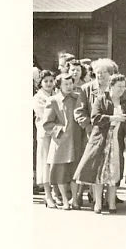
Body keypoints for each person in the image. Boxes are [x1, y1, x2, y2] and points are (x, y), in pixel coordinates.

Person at [74, 73, 126, 214]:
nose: (121, 89)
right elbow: (95, 118)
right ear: (110, 86)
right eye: (119, 86)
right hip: (100, 139)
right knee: (98, 171)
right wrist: (113, 117)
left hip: (116, 141)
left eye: (124, 87)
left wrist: (124, 132)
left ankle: (112, 204)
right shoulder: (101, 99)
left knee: (113, 173)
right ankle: (98, 203)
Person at [43, 73, 86, 210]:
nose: (69, 87)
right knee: (61, 172)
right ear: (59, 85)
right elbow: (47, 123)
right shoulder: (53, 100)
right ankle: (65, 200)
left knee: (75, 171)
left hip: (76, 140)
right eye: (65, 84)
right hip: (61, 142)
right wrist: (59, 132)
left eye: (70, 83)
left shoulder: (78, 98)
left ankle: (75, 199)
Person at [33, 70, 57, 208]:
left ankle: (55, 193)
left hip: (57, 134)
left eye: (51, 81)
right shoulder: (38, 97)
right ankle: (47, 195)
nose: (49, 84)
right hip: (45, 134)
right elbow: (45, 116)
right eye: (45, 81)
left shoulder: (56, 94)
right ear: (40, 83)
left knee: (54, 162)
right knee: (45, 163)